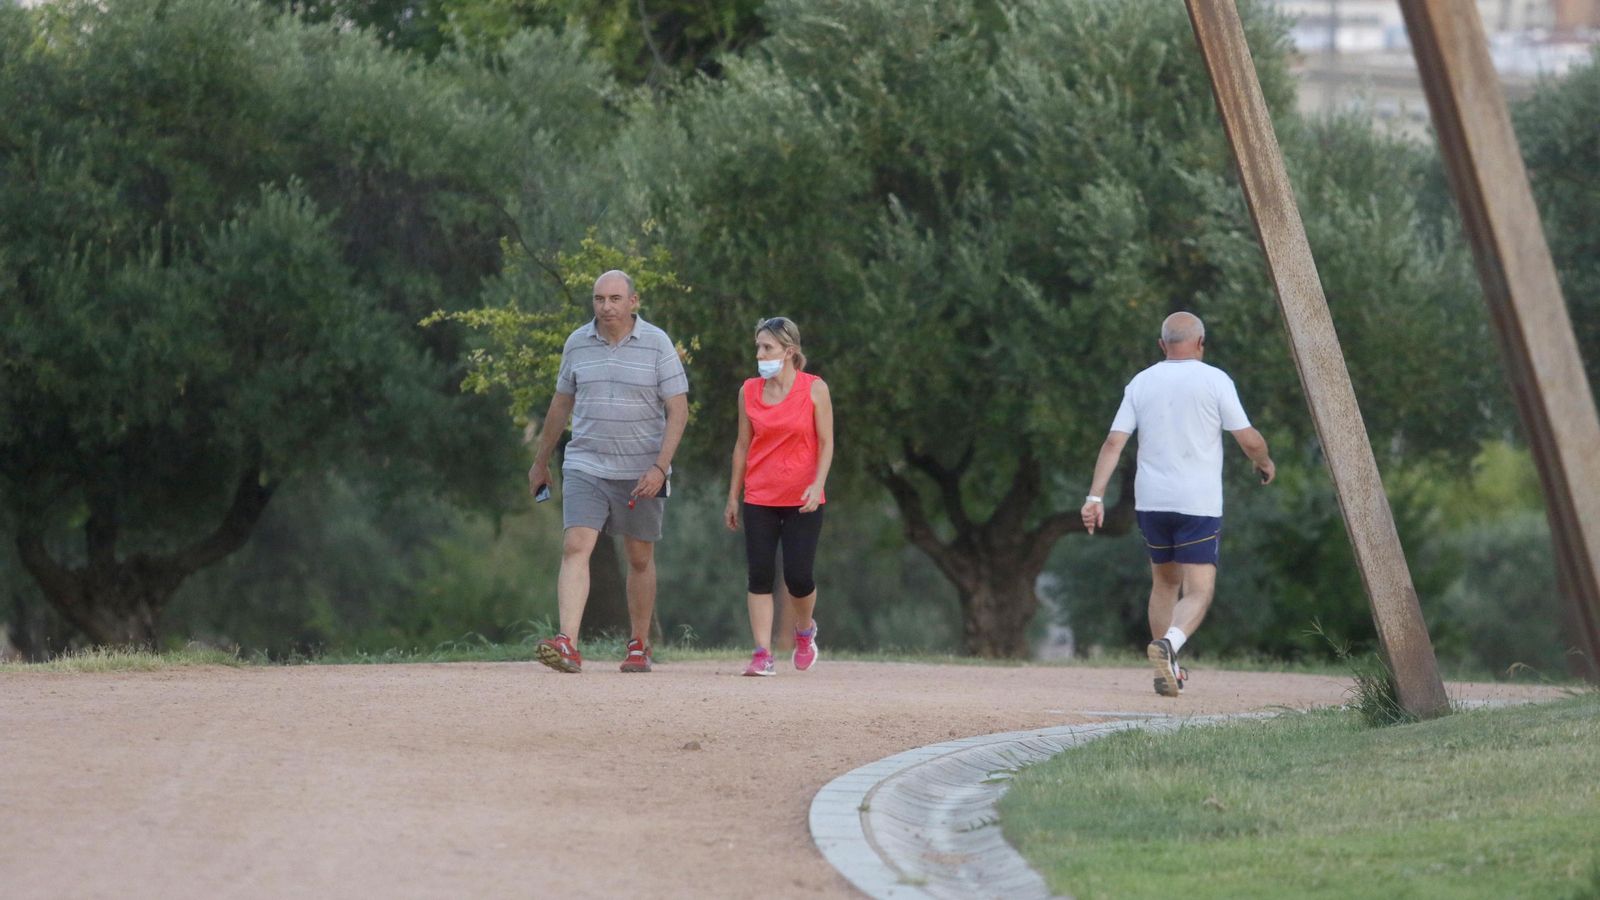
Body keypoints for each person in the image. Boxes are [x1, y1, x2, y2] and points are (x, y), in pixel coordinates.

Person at [1081, 312, 1274, 697]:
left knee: (1164, 582)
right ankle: (1169, 645)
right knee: (1198, 590)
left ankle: (1164, 670)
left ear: (1161, 345)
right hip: (1197, 503)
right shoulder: (1215, 380)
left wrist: (1094, 497)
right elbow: (1248, 438)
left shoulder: (1141, 382)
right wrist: (1264, 461)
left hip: (1151, 502)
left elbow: (1113, 443)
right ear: (1201, 343)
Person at [528, 270, 689, 674]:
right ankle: (567, 642)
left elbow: (678, 410)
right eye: (599, 299)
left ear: (633, 301)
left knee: (638, 556)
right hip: (586, 463)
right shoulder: (577, 343)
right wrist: (541, 460)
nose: (606, 307)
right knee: (576, 545)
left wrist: (660, 467)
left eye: (615, 299)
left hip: (642, 469)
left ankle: (638, 643)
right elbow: (561, 404)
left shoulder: (657, 344)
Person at [724, 317, 834, 677]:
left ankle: (805, 631)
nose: (760, 354)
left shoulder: (815, 389)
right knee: (759, 575)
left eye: (767, 347)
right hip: (760, 496)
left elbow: (827, 442)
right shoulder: (748, 391)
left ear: (789, 352)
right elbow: (742, 445)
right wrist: (733, 496)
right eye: (758, 346)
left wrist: (818, 485)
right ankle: (762, 653)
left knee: (799, 577)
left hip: (804, 497)